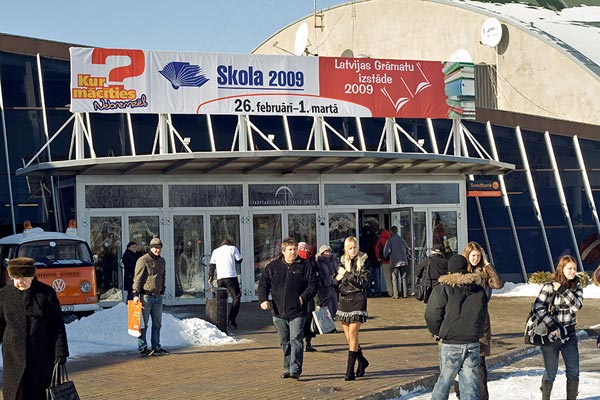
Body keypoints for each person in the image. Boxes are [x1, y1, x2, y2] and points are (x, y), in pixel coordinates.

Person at [0, 257, 69, 400]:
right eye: (16, 278)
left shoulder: (46, 293)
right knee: (15, 394)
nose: (20, 282)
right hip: (13, 357)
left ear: (32, 275)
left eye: (24, 277)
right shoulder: (4, 295)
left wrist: (60, 353)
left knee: (39, 394)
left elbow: (57, 326)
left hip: (41, 357)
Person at [425, 254, 488, 400]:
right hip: (472, 342)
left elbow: (431, 313)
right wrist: (476, 333)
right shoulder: (478, 290)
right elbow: (482, 315)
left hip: (450, 342)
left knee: (444, 382)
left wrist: (437, 332)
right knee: (470, 384)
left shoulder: (443, 288)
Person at [257, 237, 318, 380]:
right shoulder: (273, 267)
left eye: (295, 249)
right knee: (284, 341)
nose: (293, 252)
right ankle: (287, 367)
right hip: (278, 312)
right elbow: (263, 285)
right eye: (290, 250)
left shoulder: (305, 266)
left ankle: (295, 370)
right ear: (283, 251)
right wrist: (263, 300)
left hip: (298, 311)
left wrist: (302, 297)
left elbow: (313, 285)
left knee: (296, 339)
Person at [455, 241, 504, 399]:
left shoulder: (484, 274)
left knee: (480, 363)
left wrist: (488, 264)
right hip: (464, 322)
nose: (475, 258)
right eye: (473, 256)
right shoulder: (461, 274)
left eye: (478, 256)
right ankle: (461, 393)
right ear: (467, 256)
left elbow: (498, 284)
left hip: (481, 322)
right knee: (462, 362)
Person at [533, 255, 582, 400]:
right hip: (551, 335)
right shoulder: (549, 286)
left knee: (573, 371)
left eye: (574, 269)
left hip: (569, 335)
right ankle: (545, 396)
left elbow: (577, 306)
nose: (572, 271)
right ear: (562, 269)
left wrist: (562, 290)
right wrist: (552, 325)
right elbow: (537, 307)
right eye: (569, 269)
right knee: (551, 371)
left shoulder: (576, 286)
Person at [334, 236, 370, 381]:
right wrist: (337, 278)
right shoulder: (341, 262)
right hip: (344, 300)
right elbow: (334, 283)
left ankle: (349, 370)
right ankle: (362, 361)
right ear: (345, 249)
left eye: (355, 247)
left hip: (358, 300)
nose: (353, 250)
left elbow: (363, 283)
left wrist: (347, 274)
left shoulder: (364, 261)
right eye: (350, 248)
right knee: (348, 336)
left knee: (353, 334)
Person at [133, 236, 169, 356]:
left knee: (157, 323)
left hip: (158, 296)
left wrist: (162, 290)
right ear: (151, 248)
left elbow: (163, 276)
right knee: (144, 323)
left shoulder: (162, 261)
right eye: (155, 248)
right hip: (146, 296)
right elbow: (137, 278)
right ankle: (142, 347)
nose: (157, 250)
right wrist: (135, 294)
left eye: (159, 247)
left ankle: (156, 346)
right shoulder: (143, 260)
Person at [208, 238, 243, 328]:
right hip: (231, 277)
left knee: (222, 299)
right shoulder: (233, 248)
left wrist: (210, 277)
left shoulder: (215, 251)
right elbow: (239, 260)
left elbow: (212, 265)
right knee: (236, 297)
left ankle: (220, 319)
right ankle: (231, 317)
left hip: (220, 278)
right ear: (230, 243)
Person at [297, 241, 317, 351]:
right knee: (308, 319)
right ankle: (307, 343)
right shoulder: (311, 260)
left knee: (301, 320)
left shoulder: (297, 261)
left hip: (300, 295)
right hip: (308, 295)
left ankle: (300, 342)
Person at [383, 226, 410, 298]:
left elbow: (387, 251)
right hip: (403, 261)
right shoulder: (402, 240)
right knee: (404, 278)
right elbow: (407, 249)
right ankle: (405, 294)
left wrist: (385, 257)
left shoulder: (390, 240)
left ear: (391, 232)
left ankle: (396, 294)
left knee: (394, 277)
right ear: (397, 231)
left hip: (395, 261)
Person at [315, 244, 339, 318]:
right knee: (328, 308)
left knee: (335, 306)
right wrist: (329, 278)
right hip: (324, 288)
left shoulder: (334, 260)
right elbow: (320, 276)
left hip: (333, 286)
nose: (327, 253)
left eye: (328, 251)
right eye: (325, 252)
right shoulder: (319, 263)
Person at [375, 228, 392, 296]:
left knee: (387, 278)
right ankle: (396, 290)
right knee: (393, 277)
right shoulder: (391, 239)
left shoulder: (380, 240)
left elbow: (377, 249)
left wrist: (378, 258)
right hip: (393, 261)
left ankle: (390, 292)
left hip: (385, 261)